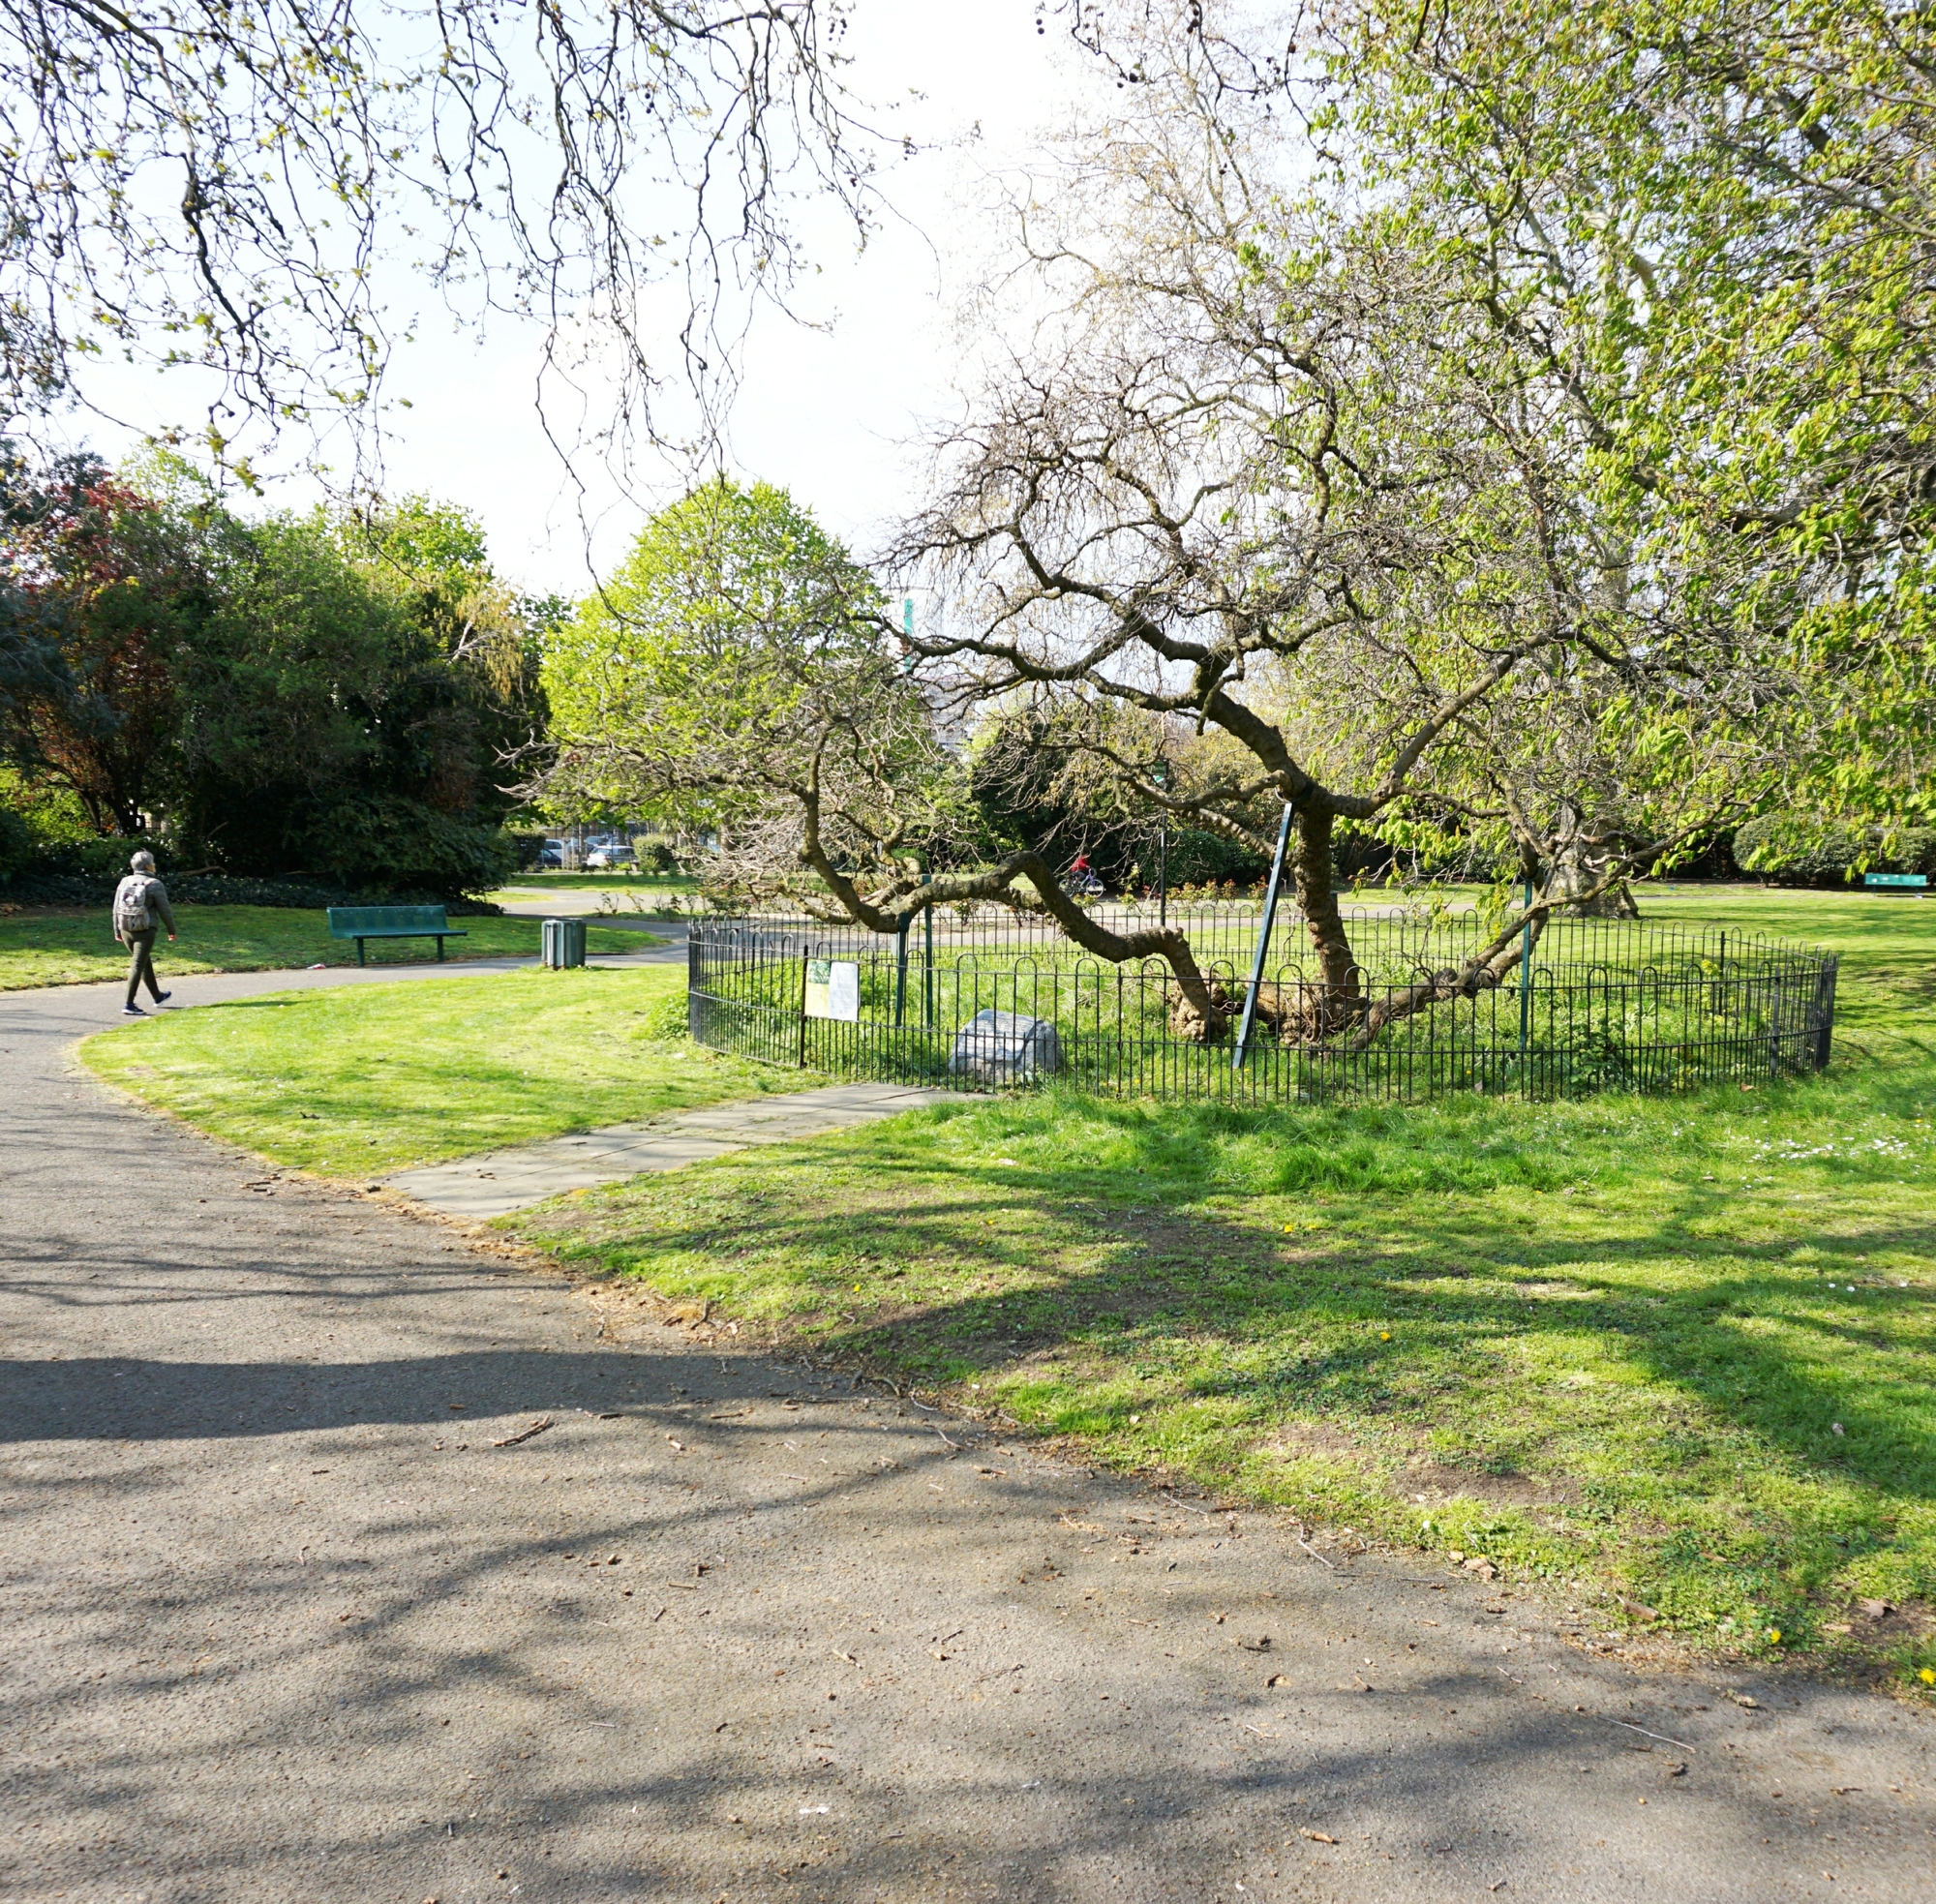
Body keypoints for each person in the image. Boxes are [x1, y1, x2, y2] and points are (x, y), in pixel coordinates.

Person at [113, 849, 176, 1016]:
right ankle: (129, 1004)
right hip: (146, 929)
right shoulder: (155, 884)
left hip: (126, 928)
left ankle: (158, 997)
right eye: (153, 863)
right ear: (148, 866)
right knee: (138, 964)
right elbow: (165, 911)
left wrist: (117, 930)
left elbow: (116, 908)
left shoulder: (124, 881)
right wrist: (172, 930)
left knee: (143, 962)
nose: (154, 865)